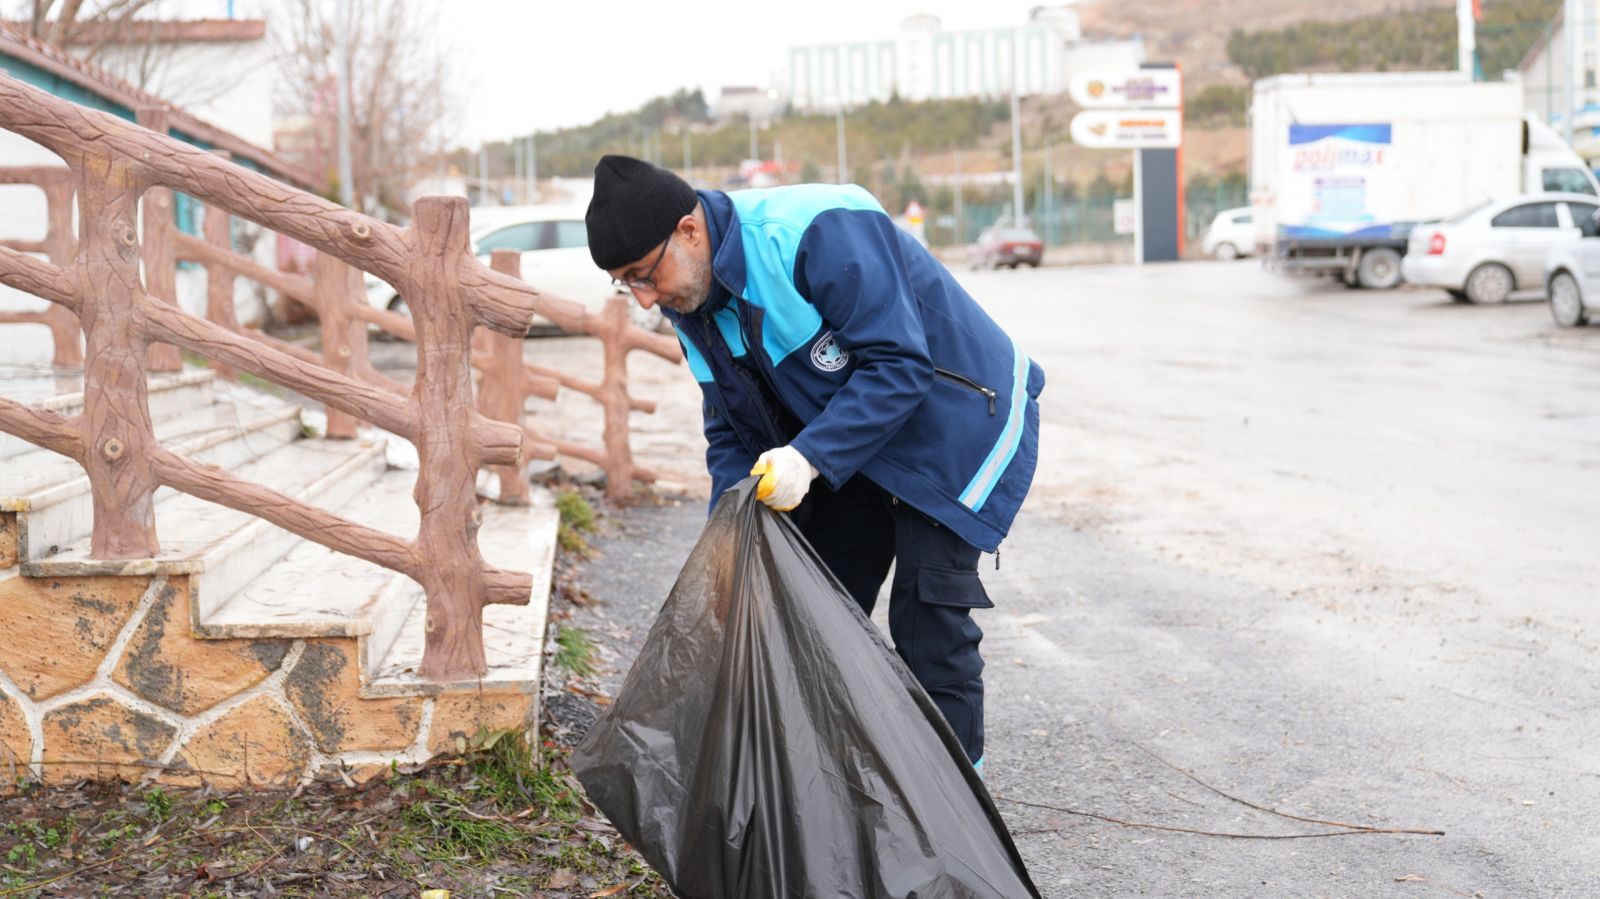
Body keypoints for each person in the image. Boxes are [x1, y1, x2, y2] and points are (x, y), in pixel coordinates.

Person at [584, 155, 1043, 771]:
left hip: (953, 417)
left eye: (643, 275)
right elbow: (730, 428)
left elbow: (900, 366)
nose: (644, 299)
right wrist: (728, 538)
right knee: (812, 607)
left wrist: (809, 456)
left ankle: (960, 808)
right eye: (625, 284)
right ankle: (833, 787)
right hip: (854, 438)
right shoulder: (689, 301)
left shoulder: (814, 230)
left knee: (928, 623)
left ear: (689, 231)